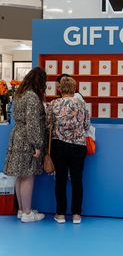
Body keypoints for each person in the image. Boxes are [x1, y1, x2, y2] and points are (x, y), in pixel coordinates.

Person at [4, 67, 47, 223]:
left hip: (17, 135)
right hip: (27, 138)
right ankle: (28, 213)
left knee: (20, 175)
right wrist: (37, 145)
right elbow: (33, 122)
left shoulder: (20, 94)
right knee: (28, 175)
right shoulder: (32, 97)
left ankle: (22, 210)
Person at [47, 76, 90, 224]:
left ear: (60, 88)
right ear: (74, 88)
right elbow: (86, 126)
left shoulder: (53, 104)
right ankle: (77, 214)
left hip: (59, 145)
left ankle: (60, 214)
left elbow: (48, 125)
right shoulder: (82, 104)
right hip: (78, 145)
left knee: (61, 180)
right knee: (77, 180)